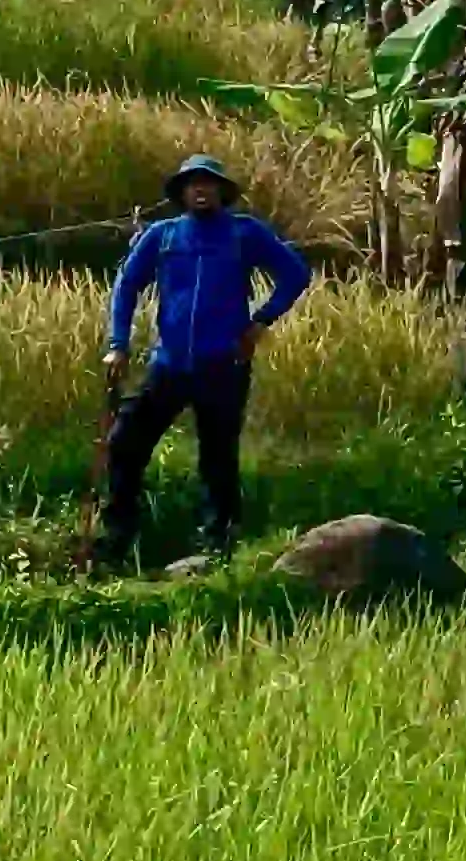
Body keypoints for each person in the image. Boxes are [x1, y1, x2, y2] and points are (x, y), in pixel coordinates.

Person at [97, 154, 312, 566]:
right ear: (181, 192)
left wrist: (261, 321)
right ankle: (119, 531)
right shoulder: (162, 236)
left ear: (221, 192)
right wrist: (118, 342)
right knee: (124, 442)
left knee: (217, 456)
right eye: (192, 184)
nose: (200, 190)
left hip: (223, 363)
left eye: (208, 183)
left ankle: (217, 541)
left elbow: (295, 274)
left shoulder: (243, 233)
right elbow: (126, 284)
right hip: (170, 363)